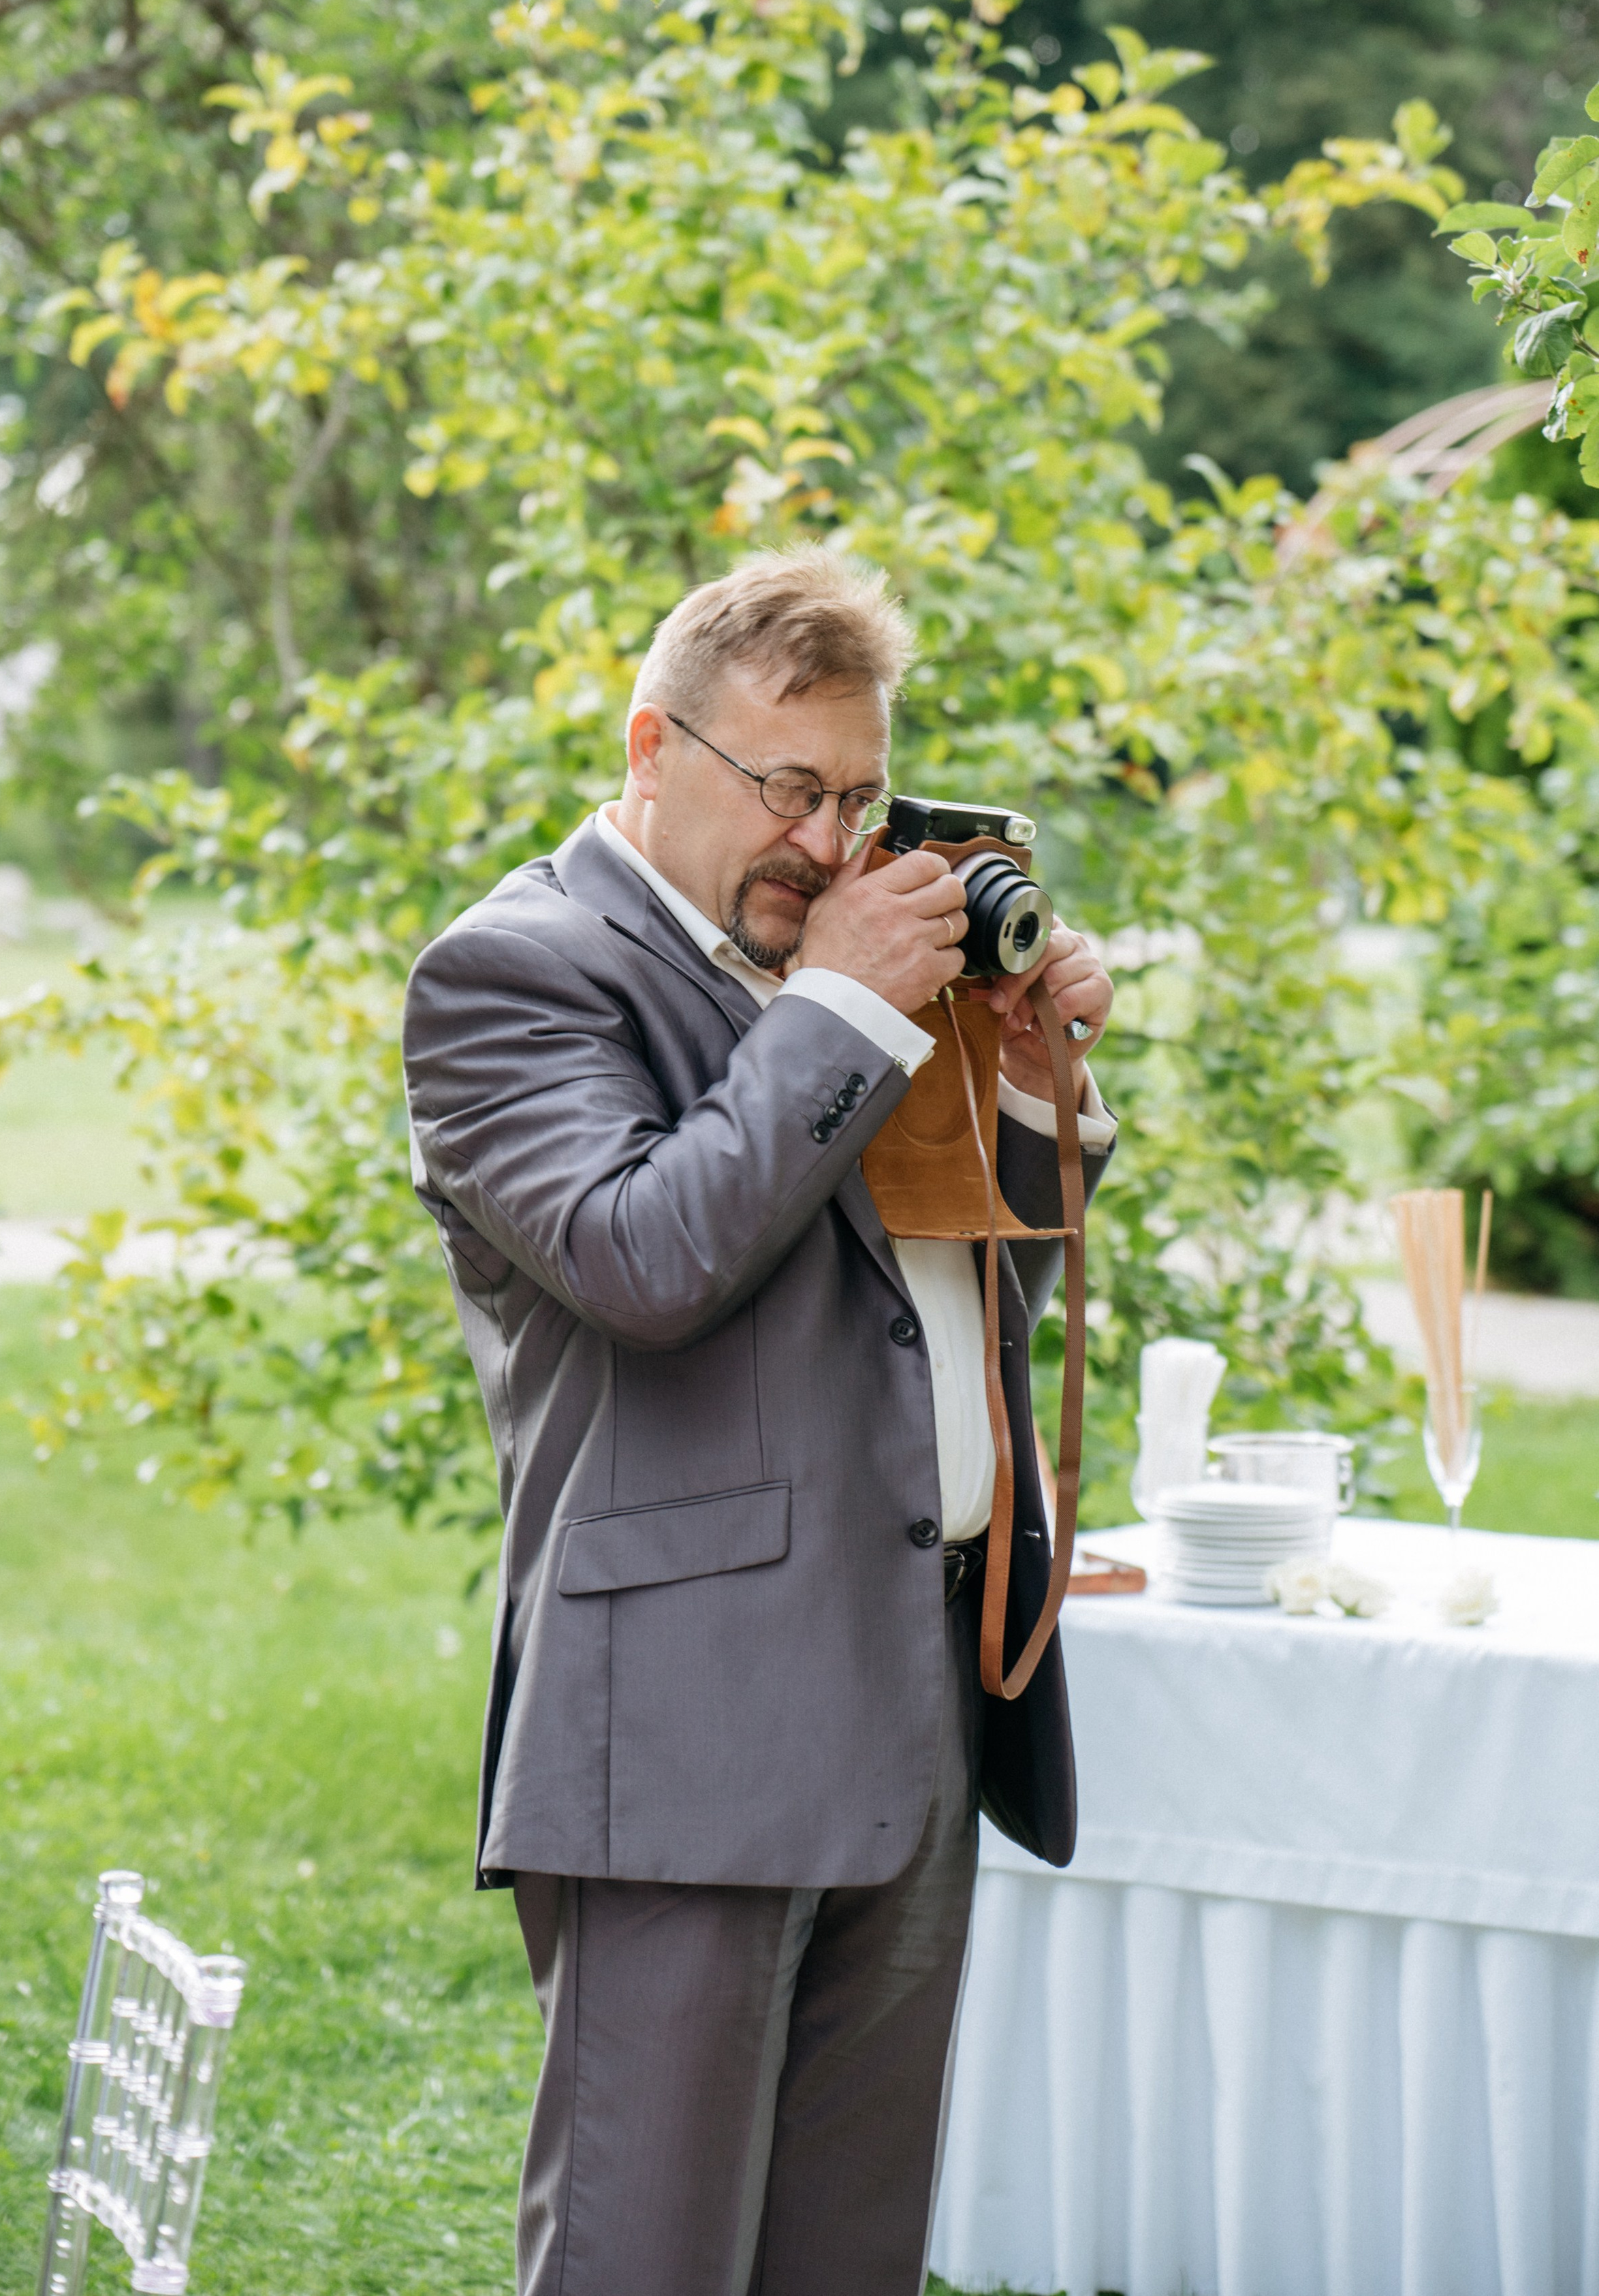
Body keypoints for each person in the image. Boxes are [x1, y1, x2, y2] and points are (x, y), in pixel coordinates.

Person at [402, 546, 1116, 2296]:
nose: (827, 838)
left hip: (911, 1695)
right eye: (789, 788)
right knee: (645, 2257)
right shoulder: (516, 971)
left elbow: (952, 1292)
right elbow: (643, 1257)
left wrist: (1029, 1074)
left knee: (844, 2258)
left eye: (859, 793)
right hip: (689, 1728)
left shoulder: (848, 986)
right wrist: (854, 1004)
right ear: (652, 744)